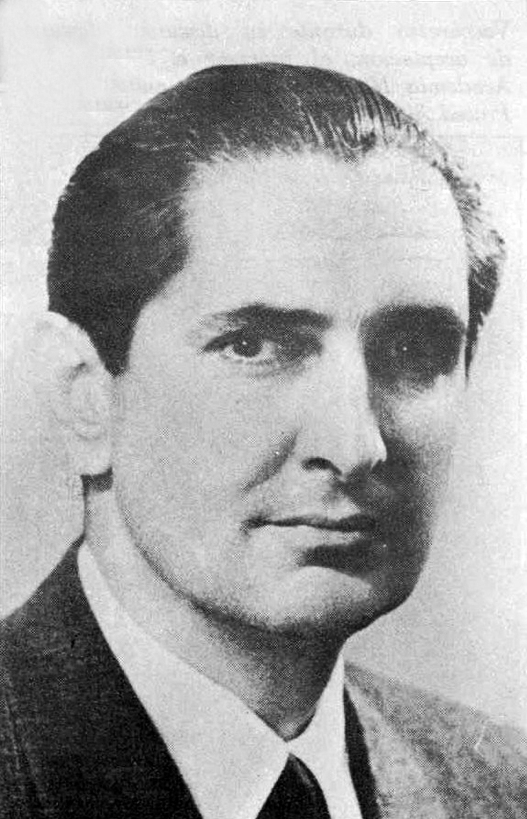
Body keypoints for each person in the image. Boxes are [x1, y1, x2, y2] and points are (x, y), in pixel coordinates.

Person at [0, 63, 525, 818]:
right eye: (254, 345)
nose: (356, 444)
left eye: (413, 352)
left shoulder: (501, 787)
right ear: (85, 396)